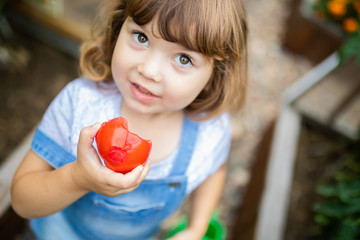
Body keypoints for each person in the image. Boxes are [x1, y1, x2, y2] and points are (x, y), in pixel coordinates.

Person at [10, 0, 248, 239]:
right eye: (141, 37)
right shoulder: (80, 105)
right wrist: (77, 178)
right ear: (118, 26)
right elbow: (21, 200)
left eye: (183, 59)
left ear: (215, 73)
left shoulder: (209, 132)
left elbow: (215, 170)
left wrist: (196, 228)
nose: (149, 70)